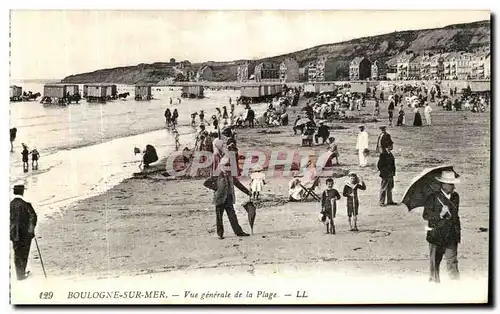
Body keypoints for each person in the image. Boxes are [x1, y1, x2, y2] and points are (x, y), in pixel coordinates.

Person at [423, 170, 461, 283]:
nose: (453, 186)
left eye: (453, 184)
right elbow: (426, 215)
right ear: (443, 185)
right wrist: (439, 214)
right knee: (435, 263)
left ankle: (457, 286)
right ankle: (435, 284)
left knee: (452, 262)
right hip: (436, 235)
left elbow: (455, 214)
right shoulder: (432, 197)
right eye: (450, 184)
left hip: (451, 235)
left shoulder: (455, 197)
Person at [203, 170, 251, 239]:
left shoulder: (231, 175)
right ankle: (220, 234)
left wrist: (247, 192)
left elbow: (238, 184)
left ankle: (239, 232)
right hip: (220, 199)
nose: (228, 168)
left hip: (229, 199)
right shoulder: (217, 174)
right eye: (226, 165)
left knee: (232, 216)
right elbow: (206, 183)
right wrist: (216, 188)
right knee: (219, 217)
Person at [10, 184, 37, 281]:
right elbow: (33, 216)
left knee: (17, 253)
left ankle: (19, 274)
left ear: (14, 192)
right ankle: (22, 274)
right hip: (25, 234)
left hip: (14, 234)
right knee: (24, 253)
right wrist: (31, 229)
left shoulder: (10, 204)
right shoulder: (26, 204)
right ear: (22, 192)